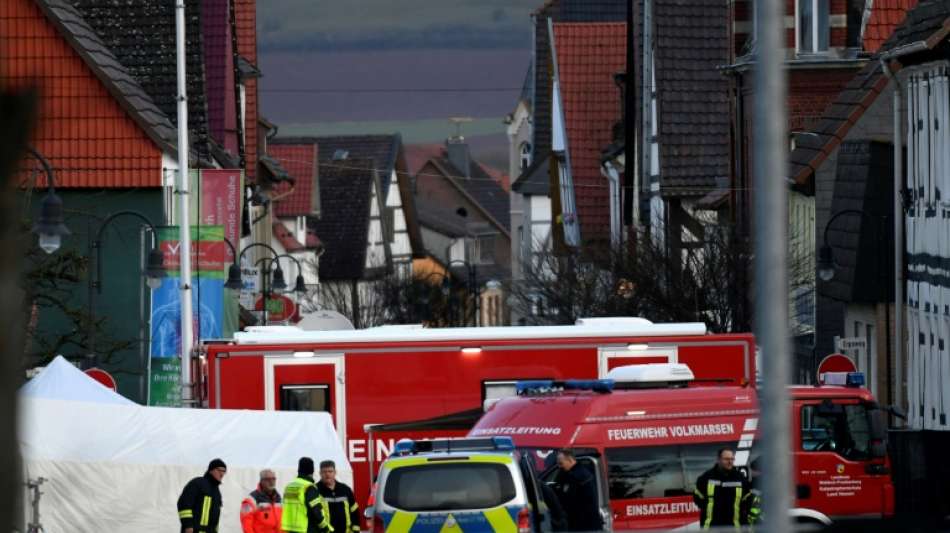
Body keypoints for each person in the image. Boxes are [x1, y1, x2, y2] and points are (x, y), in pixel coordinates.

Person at [692, 448, 753, 529]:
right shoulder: (706, 478)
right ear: (718, 460)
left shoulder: (740, 478)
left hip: (735, 528)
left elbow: (748, 500)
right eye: (726, 459)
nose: (730, 462)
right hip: (712, 528)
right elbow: (697, 497)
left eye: (732, 459)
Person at [553, 448, 603, 531]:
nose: (559, 466)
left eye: (561, 463)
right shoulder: (579, 472)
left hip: (583, 524)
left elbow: (568, 500)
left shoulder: (577, 476)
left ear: (569, 460)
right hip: (585, 522)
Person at [282, 457, 333, 533]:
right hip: (305, 529)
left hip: (289, 529)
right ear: (311, 471)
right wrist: (326, 528)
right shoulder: (308, 487)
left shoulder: (289, 487)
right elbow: (316, 511)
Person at [177, 458, 226, 533]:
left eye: (224, 471)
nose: (222, 474)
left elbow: (216, 515)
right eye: (219, 470)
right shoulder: (197, 483)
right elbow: (184, 503)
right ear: (211, 470)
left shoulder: (216, 491)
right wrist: (188, 525)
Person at [316, 460, 360, 533]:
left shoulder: (345, 489)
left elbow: (354, 511)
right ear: (320, 473)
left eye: (330, 471)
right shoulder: (315, 490)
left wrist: (356, 530)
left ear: (335, 472)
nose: (327, 474)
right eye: (324, 472)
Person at [241, 469, 283, 533]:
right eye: (268, 479)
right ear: (261, 481)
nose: (271, 482)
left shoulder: (278, 498)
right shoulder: (251, 499)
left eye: (273, 479)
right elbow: (246, 524)